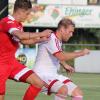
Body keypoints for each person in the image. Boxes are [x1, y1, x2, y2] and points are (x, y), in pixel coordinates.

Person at [24, 18, 90, 100]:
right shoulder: (51, 38)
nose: (71, 34)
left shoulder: (58, 40)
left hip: (52, 75)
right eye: (70, 31)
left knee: (77, 93)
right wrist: (81, 53)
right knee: (63, 89)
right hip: (41, 75)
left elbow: (56, 55)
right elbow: (60, 56)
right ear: (62, 29)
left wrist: (65, 65)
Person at [0, 0, 52, 100]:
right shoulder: (7, 22)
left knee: (38, 83)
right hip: (1, 65)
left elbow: (23, 41)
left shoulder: (18, 24)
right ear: (20, 11)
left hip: (12, 63)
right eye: (27, 13)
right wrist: (41, 33)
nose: (28, 16)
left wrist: (40, 40)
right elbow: (20, 35)